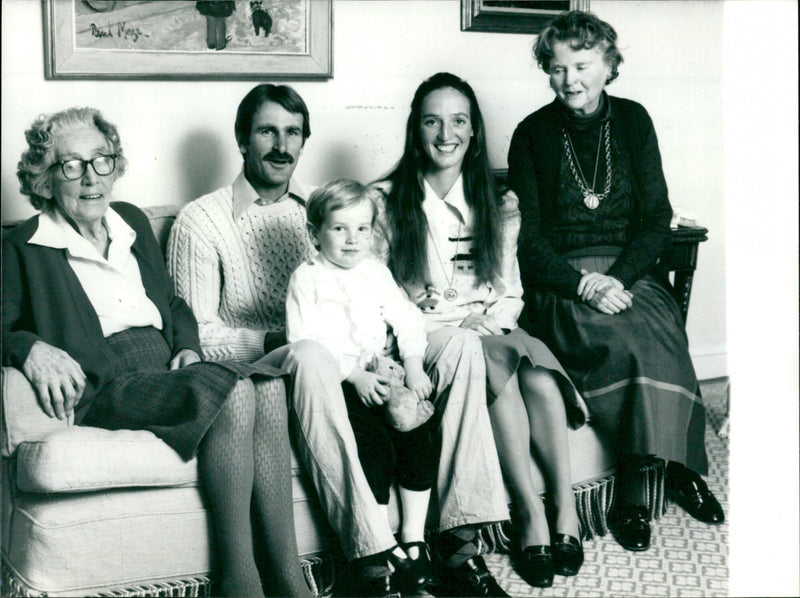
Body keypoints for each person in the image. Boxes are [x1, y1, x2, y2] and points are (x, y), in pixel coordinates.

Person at [167, 83, 510, 597]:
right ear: (242, 139)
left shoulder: (329, 210)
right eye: (267, 131)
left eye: (293, 133)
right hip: (281, 367)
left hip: (358, 359)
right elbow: (201, 336)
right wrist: (298, 342)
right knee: (310, 351)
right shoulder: (202, 220)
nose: (282, 145)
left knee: (459, 346)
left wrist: (403, 361)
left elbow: (383, 300)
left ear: (304, 140)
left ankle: (461, 539)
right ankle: (373, 556)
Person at [2, 107, 311, 598]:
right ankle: (240, 584)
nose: (91, 178)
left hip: (167, 368)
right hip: (108, 381)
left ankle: (290, 581)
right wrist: (30, 346)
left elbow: (172, 303)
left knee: (268, 385)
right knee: (231, 392)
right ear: (44, 178)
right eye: (72, 165)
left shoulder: (129, 222)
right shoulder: (22, 245)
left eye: (101, 161)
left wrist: (187, 348)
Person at [506, 10, 725, 553]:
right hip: (562, 282)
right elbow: (527, 241)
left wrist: (619, 279)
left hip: (628, 273)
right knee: (621, 338)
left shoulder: (633, 120)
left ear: (608, 66)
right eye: (556, 69)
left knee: (661, 324)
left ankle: (674, 469)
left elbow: (656, 218)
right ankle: (633, 490)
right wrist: (584, 284)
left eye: (581, 65)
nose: (569, 80)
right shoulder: (531, 133)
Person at [373, 71, 588, 589]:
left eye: (458, 121)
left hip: (489, 328)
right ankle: (529, 519)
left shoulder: (499, 204)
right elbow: (375, 297)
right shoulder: (384, 201)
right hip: (427, 338)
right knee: (496, 361)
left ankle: (563, 511)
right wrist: (439, 322)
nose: (446, 133)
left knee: (536, 374)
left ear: (473, 133)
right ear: (415, 130)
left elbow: (510, 290)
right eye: (432, 121)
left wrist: (491, 319)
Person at [286, 178, 439, 594]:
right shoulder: (307, 279)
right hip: (340, 385)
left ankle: (414, 538)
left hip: (383, 373)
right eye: (339, 229)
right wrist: (353, 374)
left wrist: (412, 365)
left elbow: (407, 318)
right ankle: (381, 550)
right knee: (371, 445)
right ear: (314, 231)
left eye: (362, 229)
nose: (352, 240)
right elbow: (305, 339)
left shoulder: (375, 272)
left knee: (421, 432)